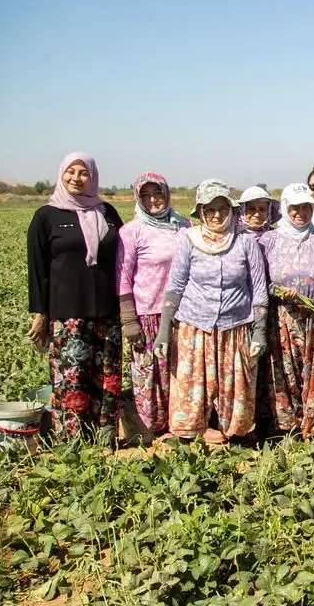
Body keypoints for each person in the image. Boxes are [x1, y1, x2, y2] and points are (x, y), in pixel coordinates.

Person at [158, 179, 269, 444]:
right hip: (194, 326)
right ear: (200, 212)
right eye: (209, 209)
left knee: (235, 387)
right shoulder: (189, 241)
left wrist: (259, 333)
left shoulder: (244, 241)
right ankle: (189, 435)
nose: (217, 214)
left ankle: (236, 434)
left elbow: (259, 289)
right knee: (192, 386)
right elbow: (175, 286)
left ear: (231, 210)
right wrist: (164, 331)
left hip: (235, 326)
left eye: (222, 207)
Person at [26, 152, 125, 441]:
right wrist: (40, 313)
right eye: (71, 172)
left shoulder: (106, 212)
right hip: (68, 312)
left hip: (107, 311)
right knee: (71, 378)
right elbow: (38, 270)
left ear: (92, 177)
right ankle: (72, 442)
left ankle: (105, 437)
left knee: (107, 378)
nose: (77, 178)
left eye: (84, 173)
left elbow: (124, 259)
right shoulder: (46, 216)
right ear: (61, 174)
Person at [258, 184, 314, 438]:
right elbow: (259, 280)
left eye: (306, 207)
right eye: (295, 207)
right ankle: (289, 428)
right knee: (286, 373)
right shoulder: (269, 240)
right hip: (283, 320)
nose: (300, 212)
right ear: (285, 208)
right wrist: (278, 292)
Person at [116, 172, 190, 438]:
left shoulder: (184, 226)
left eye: (156, 193)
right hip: (148, 312)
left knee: (180, 371)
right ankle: (151, 429)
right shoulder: (131, 232)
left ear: (166, 194)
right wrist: (129, 320)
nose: (152, 200)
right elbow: (123, 278)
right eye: (145, 195)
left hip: (182, 313)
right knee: (149, 374)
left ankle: (180, 426)